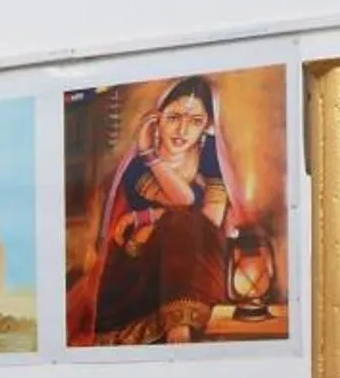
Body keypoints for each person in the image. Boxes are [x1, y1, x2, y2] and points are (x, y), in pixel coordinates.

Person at [73, 75, 234, 345]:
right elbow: (185, 200)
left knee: (186, 226)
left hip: (194, 263)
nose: (182, 130)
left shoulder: (209, 157)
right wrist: (150, 155)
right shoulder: (138, 166)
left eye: (195, 121)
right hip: (140, 271)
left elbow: (212, 219)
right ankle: (175, 326)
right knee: (181, 224)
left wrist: (152, 216)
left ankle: (181, 324)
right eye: (174, 117)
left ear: (207, 125)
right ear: (156, 118)